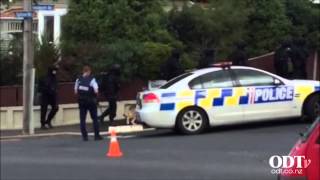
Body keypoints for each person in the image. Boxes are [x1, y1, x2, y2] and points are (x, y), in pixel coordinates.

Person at [74, 65, 102, 141]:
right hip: (91, 102)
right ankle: (97, 136)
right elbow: (96, 91)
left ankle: (85, 136)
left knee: (82, 119)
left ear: (83, 71)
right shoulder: (92, 80)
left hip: (81, 102)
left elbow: (76, 91)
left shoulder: (78, 80)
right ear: (89, 71)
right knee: (95, 118)